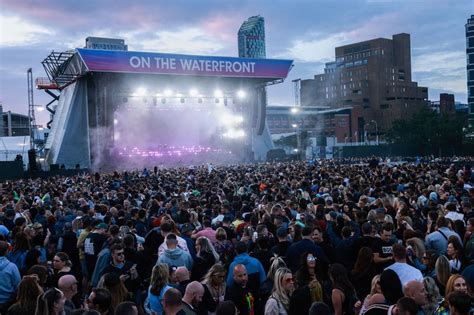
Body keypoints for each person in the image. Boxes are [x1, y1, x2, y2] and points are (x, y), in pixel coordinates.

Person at [0, 240, 21, 313]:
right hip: (8, 302)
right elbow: (18, 286)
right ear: (6, 252)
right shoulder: (12, 267)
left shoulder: (12, 267)